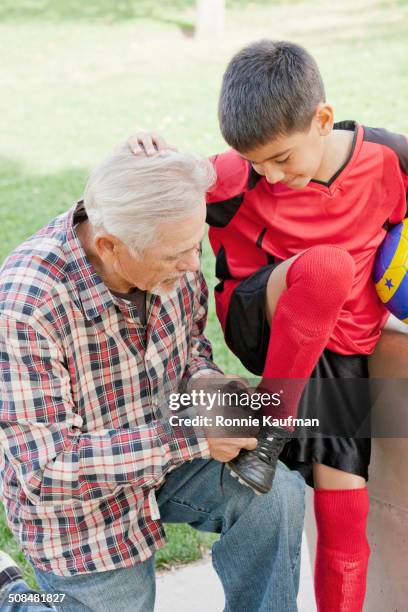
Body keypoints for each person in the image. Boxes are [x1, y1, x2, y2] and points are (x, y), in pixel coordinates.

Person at [132, 39, 408, 612]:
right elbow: (137, 195)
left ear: (323, 119)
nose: (270, 175)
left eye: (281, 159)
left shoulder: (390, 160)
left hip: (339, 355)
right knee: (327, 266)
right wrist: (145, 154)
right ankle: (270, 430)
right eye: (256, 162)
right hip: (262, 313)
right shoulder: (237, 176)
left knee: (345, 514)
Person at [0, 143, 305, 612]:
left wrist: (205, 383)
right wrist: (195, 437)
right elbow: (47, 472)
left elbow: (189, 349)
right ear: (109, 247)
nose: (191, 265)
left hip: (165, 450)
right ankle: (13, 596)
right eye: (176, 255)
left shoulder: (167, 248)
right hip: (81, 509)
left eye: (194, 247)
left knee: (274, 498)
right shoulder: (27, 306)